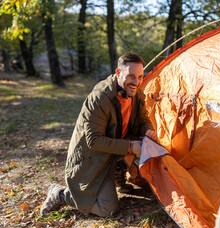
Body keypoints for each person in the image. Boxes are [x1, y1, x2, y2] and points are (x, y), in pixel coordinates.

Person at [40, 52, 157, 218]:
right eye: (131, 76)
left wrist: (148, 130)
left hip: (112, 148)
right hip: (92, 158)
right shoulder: (100, 98)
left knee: (144, 143)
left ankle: (118, 176)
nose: (136, 82)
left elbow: (143, 118)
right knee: (107, 209)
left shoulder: (135, 92)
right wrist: (131, 147)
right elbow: (93, 141)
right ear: (118, 73)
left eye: (140, 76)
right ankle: (59, 194)